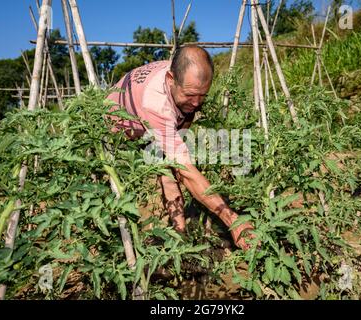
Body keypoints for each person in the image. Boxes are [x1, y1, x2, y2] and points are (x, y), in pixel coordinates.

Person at [106, 45, 254, 250]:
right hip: (113, 127)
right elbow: (185, 170)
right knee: (114, 188)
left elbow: (176, 163)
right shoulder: (156, 103)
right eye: (191, 95)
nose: (196, 103)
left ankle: (179, 236)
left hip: (148, 119)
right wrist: (232, 220)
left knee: (168, 168)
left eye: (203, 96)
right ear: (170, 79)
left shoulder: (183, 80)